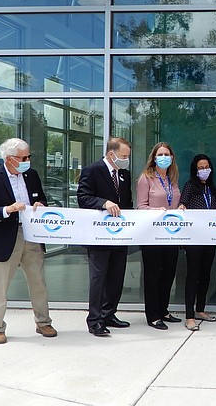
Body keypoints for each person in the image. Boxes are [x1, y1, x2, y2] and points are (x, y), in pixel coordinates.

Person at [0, 138, 57, 344]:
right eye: (23, 157)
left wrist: (40, 204)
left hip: (32, 235)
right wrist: (6, 210)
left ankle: (43, 322)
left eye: (29, 156)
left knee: (38, 282)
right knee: (0, 286)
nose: (27, 160)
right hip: (5, 237)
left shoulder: (31, 175)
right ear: (9, 159)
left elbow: (42, 199)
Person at [77, 137, 134, 336]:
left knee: (116, 277)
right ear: (112, 154)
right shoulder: (92, 171)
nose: (126, 159)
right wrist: (104, 203)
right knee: (98, 278)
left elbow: (128, 203)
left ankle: (109, 313)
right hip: (99, 236)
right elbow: (83, 198)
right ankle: (94, 320)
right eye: (124, 156)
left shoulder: (124, 174)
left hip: (120, 235)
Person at [136, 142, 182, 330]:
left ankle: (163, 310)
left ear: (172, 157)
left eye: (167, 154)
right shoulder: (146, 178)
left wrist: (180, 208)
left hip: (171, 235)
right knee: (153, 275)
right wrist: (157, 210)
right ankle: (153, 315)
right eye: (160, 154)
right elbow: (141, 207)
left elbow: (173, 200)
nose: (164, 157)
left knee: (168, 273)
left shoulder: (172, 179)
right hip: (152, 235)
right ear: (154, 158)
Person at [178, 154, 216, 331]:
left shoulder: (211, 188)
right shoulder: (189, 186)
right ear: (195, 170)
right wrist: (181, 207)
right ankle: (189, 316)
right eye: (201, 168)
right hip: (194, 237)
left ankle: (200, 309)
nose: (204, 170)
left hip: (209, 237)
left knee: (206, 275)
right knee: (193, 275)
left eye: (207, 167)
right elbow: (183, 204)